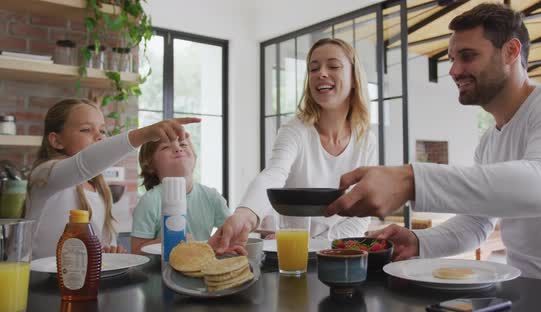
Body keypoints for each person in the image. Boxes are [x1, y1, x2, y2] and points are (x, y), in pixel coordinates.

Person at [325, 3, 541, 286]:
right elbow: (475, 224)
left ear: (511, 51)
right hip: (518, 289)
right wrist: (416, 240)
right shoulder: (489, 141)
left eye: (467, 56)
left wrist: (412, 179)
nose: (453, 70)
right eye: (452, 58)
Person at [209, 38, 377, 254]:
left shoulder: (366, 140)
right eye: (313, 68)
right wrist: (244, 214)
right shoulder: (295, 130)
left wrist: (321, 244)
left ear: (354, 78)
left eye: (333, 66)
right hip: (289, 252)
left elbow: (361, 212)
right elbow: (273, 175)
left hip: (336, 251)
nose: (321, 73)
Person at [26, 98, 200, 259]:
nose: (99, 136)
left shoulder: (97, 187)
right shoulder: (44, 175)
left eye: (102, 130)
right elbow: (84, 162)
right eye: (86, 129)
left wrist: (112, 251)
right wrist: (144, 134)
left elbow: (102, 246)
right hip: (34, 284)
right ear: (56, 141)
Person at [130, 136, 230, 254]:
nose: (178, 149)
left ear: (194, 156)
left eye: (183, 145)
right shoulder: (150, 201)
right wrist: (172, 241)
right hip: (162, 270)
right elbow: (136, 251)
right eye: (166, 147)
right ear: (150, 164)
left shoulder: (212, 197)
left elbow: (230, 234)